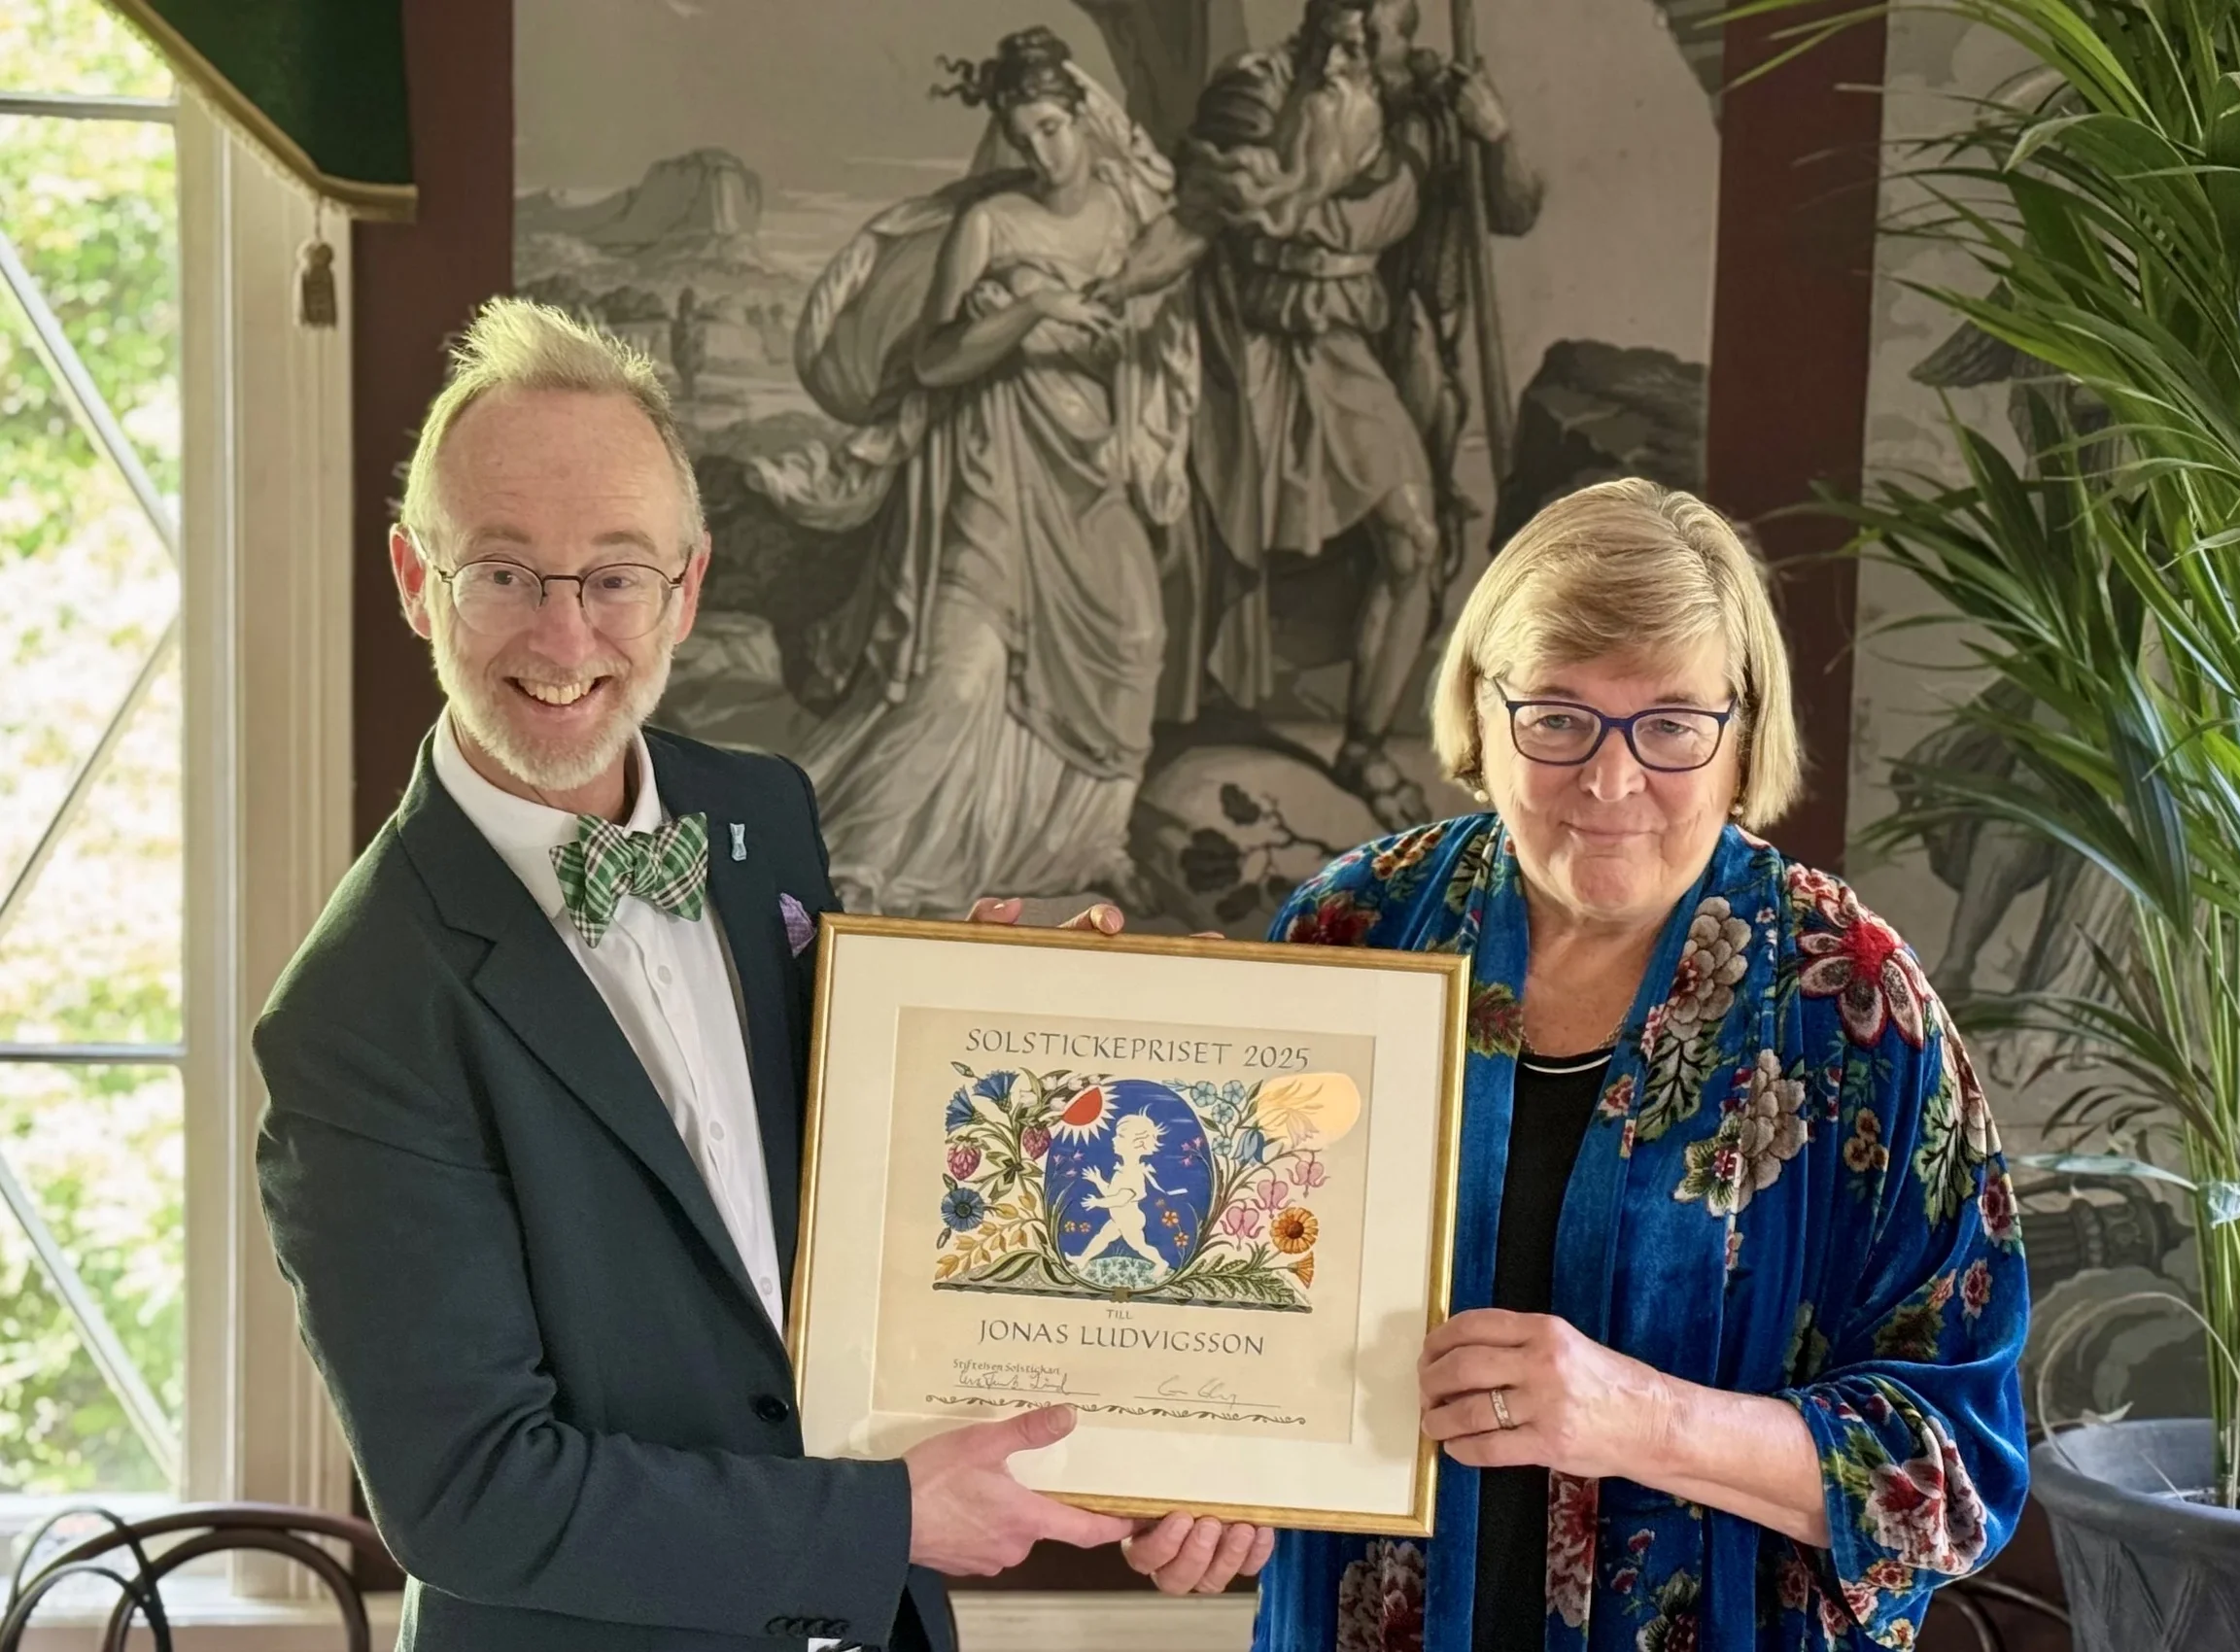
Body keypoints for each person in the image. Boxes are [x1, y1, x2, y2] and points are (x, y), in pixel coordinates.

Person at [252, 296, 1202, 1651]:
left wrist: (1006, 1027)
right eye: (504, 573)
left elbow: (844, 1193)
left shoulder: (762, 813)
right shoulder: (354, 1012)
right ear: (417, 580)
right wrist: (884, 1520)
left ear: (686, 588)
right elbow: (471, 1495)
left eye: (616, 574)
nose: (565, 637)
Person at [1141, 480, 2031, 1647]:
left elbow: (1957, 1475)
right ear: (1482, 712)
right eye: (1557, 716)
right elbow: (1233, 1300)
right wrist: (1200, 1468)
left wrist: (1639, 1416)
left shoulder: (1853, 999)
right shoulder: (1353, 927)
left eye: (1670, 724)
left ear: (1741, 735)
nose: (1610, 780)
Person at [767, 26, 1199, 915]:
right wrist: (1033, 306)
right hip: (995, 464)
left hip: (1091, 465)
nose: (1041, 151)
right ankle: (867, 856)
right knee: (959, 673)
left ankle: (1092, 840)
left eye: (1052, 128)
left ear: (1084, 115)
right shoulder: (989, 225)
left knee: (1134, 640)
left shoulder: (1130, 211)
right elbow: (934, 359)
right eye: (1023, 134)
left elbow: (1165, 321)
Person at [1093, 0, 1541, 829]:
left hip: (1342, 348)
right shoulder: (1256, 91)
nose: (1360, 46)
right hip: (1239, 349)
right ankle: (1135, 733)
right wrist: (1112, 292)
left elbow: (1513, 211)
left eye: (1381, 32)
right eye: (1346, 28)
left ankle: (1362, 746)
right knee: (1186, 533)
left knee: (1412, 540)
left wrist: (1495, 132)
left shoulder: (1427, 114)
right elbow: (1202, 214)